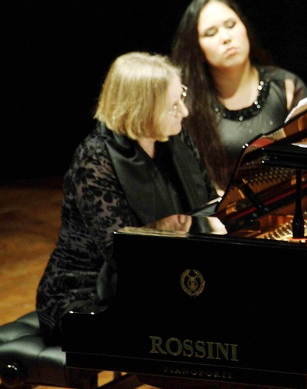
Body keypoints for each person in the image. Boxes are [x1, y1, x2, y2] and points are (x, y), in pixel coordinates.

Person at [36, 52, 221, 344]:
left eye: (181, 98)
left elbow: (208, 208)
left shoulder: (175, 138)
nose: (184, 112)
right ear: (141, 111)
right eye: (173, 106)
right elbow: (124, 252)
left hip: (158, 279)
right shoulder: (94, 159)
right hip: (85, 294)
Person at [170, 0, 307, 190]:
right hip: (224, 216)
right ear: (197, 48)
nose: (226, 38)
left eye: (231, 25)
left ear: (244, 28)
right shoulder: (189, 105)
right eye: (211, 33)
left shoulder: (287, 86)